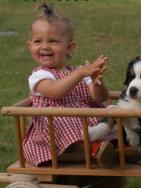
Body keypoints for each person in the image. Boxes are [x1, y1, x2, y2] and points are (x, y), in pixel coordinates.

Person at [23, 3, 117, 167]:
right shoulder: (39, 75)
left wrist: (97, 83)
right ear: (30, 46)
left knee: (105, 115)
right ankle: (95, 149)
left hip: (80, 117)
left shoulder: (78, 71)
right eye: (38, 41)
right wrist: (80, 74)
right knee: (64, 121)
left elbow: (100, 98)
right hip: (52, 127)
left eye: (53, 41)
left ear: (69, 47)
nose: (45, 46)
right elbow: (54, 92)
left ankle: (118, 147)